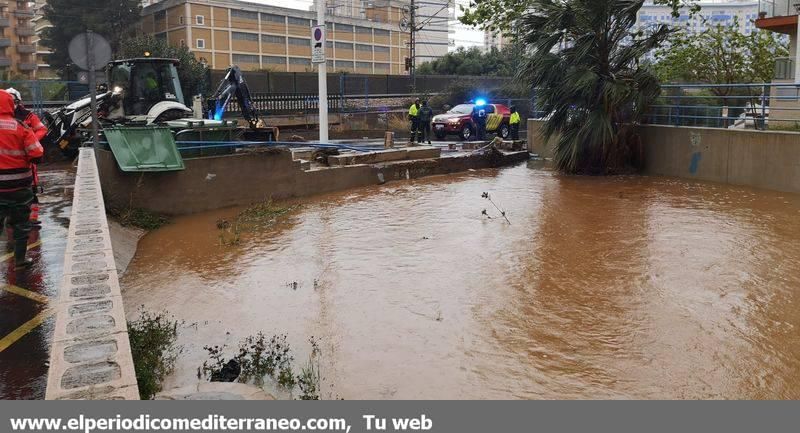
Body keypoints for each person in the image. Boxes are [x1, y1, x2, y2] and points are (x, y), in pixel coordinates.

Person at [0, 90, 44, 269]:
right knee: (21, 225)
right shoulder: (21, 127)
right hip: (19, 187)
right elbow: (36, 152)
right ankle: (20, 260)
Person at [6, 88, 45, 227]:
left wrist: (32, 141)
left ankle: (31, 219)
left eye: (14, 101)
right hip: (9, 162)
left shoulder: (27, 116)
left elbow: (41, 129)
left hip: (25, 160)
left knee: (30, 190)